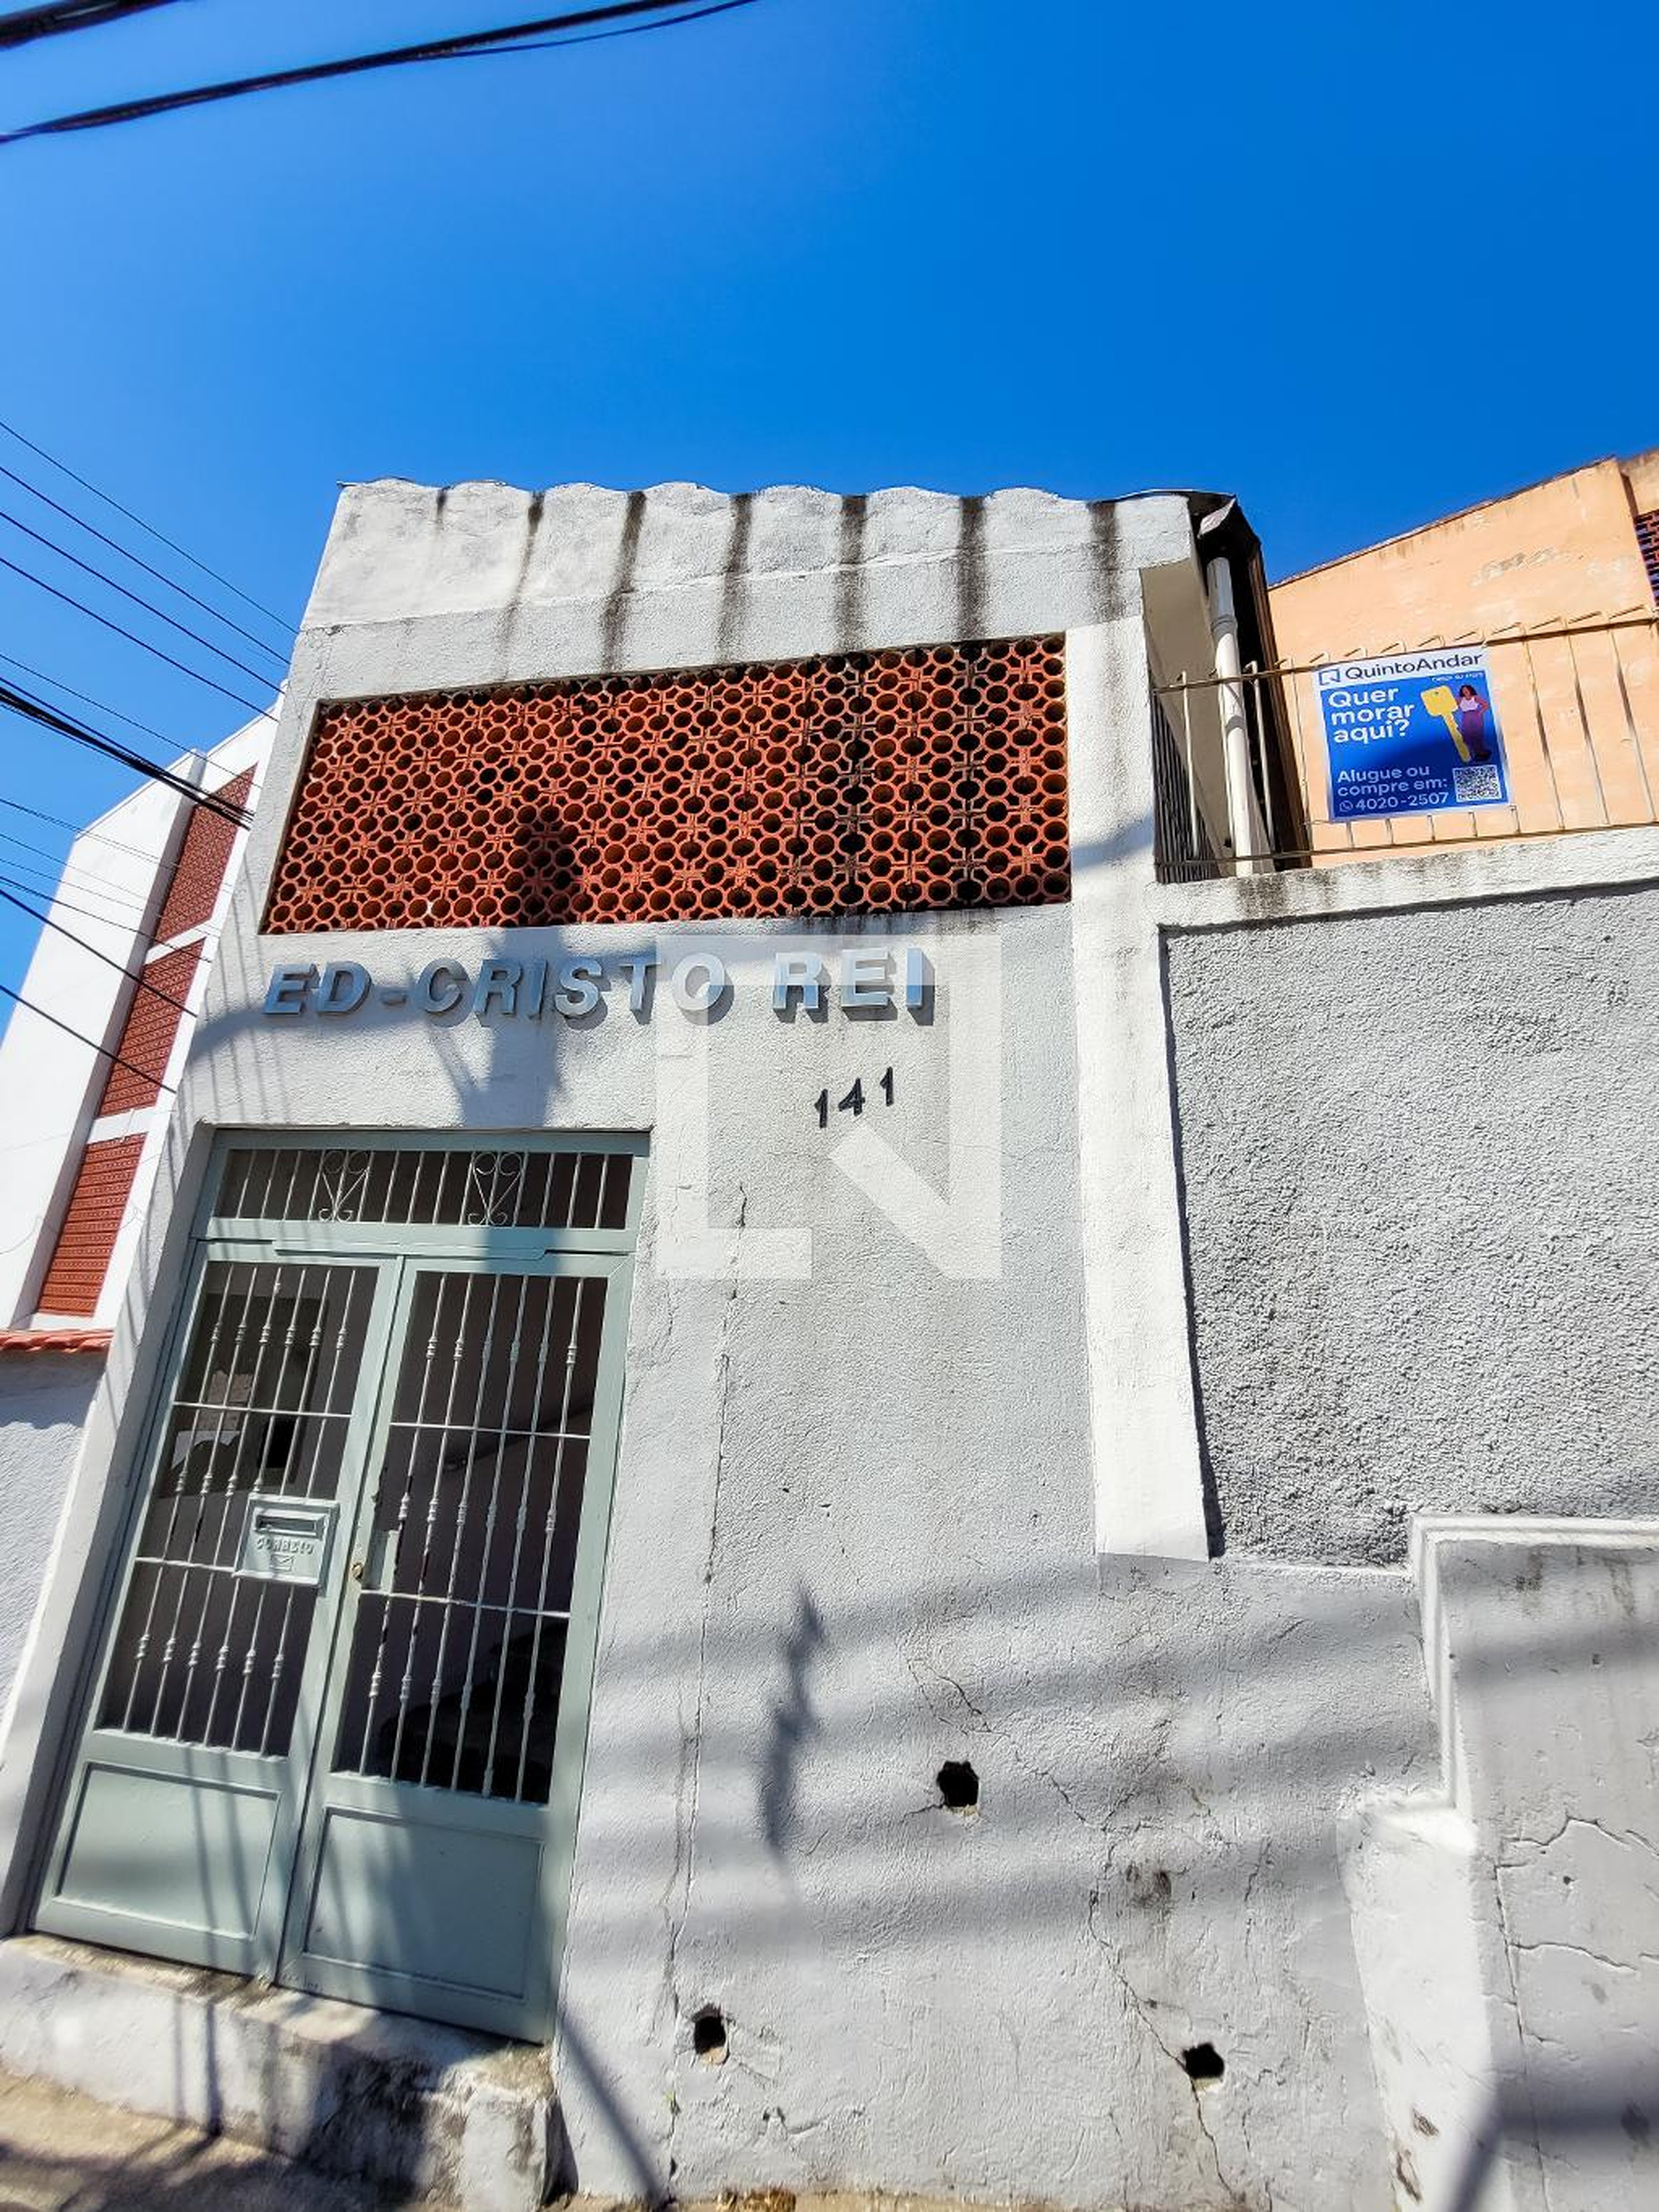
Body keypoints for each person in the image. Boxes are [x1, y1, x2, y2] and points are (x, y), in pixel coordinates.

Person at [1455, 681, 1494, 763]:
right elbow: (1453, 706)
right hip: (1466, 717)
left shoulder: (1475, 698)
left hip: (1476, 717)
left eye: (1466, 690)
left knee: (1477, 736)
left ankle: (1480, 754)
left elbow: (1486, 705)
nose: (1465, 691)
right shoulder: (1460, 699)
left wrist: (1480, 712)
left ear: (1470, 690)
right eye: (1463, 690)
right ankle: (1479, 753)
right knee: (1467, 737)